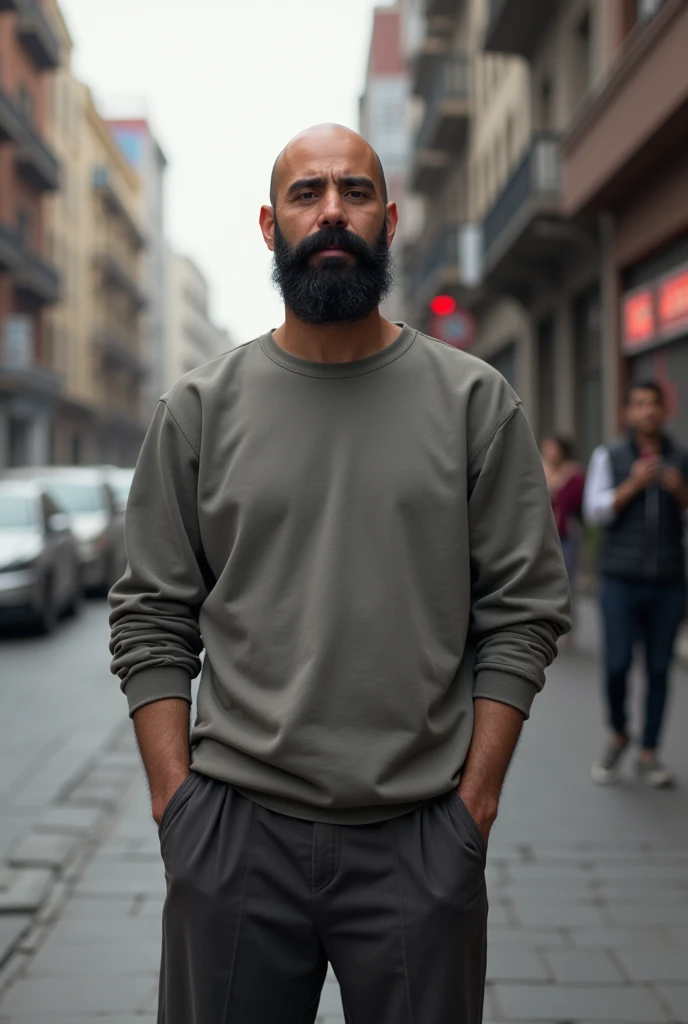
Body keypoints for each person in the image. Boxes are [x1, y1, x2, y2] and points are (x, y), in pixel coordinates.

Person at [109, 123, 570, 1024]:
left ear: (390, 220)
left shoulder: (475, 401)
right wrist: (179, 813)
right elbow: (152, 617)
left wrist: (471, 812)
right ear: (268, 224)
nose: (331, 212)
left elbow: (522, 613)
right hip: (234, 838)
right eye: (306, 194)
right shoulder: (200, 408)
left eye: (354, 192)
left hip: (419, 838)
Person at [584, 381, 688, 788]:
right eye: (639, 404)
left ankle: (648, 752)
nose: (647, 411)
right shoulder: (609, 455)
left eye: (654, 404)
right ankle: (619, 732)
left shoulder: (679, 457)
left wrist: (681, 495)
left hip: (668, 580)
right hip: (620, 581)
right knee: (617, 664)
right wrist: (633, 484)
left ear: (665, 411)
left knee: (660, 669)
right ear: (628, 412)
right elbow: (595, 512)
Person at [540, 436, 586, 584]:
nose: (549, 452)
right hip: (542, 531)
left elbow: (578, 501)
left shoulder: (573, 473)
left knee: (565, 576)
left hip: (566, 531)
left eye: (553, 448)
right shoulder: (539, 470)